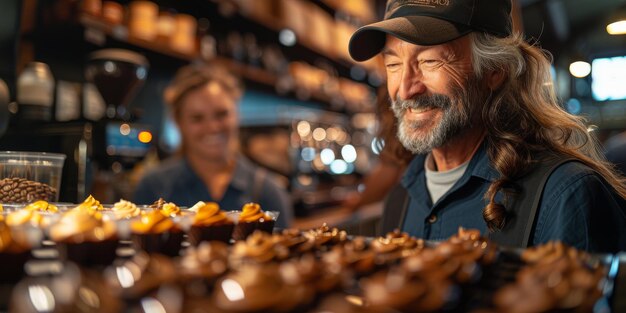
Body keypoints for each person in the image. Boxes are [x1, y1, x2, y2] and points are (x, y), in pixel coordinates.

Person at [348, 0, 626, 252]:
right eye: (393, 64)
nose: (405, 89)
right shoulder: (401, 199)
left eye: (429, 61)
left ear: (495, 70)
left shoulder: (566, 195)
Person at [134, 63, 293, 228]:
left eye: (221, 114)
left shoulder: (268, 192)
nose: (212, 127)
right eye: (197, 118)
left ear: (237, 114)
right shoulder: (152, 188)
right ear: (178, 122)